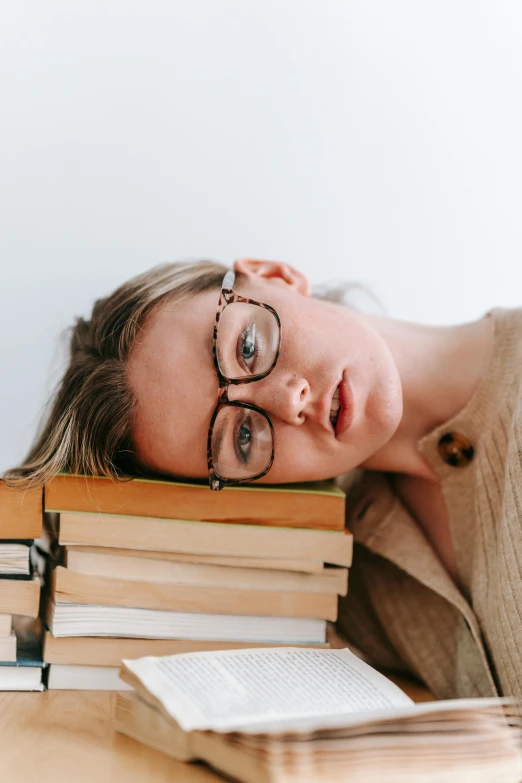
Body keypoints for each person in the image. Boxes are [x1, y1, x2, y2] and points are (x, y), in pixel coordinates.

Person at [4, 257, 521, 707]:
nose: (288, 401)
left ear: (275, 275)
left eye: (247, 346)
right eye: (243, 438)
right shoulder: (337, 573)